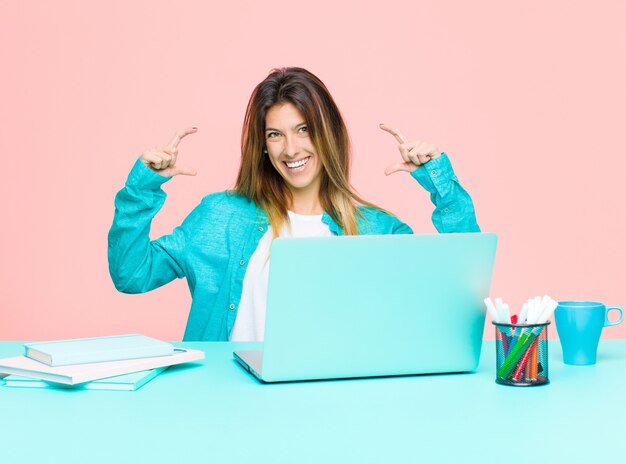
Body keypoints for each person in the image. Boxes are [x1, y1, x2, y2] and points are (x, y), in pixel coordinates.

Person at [108, 67, 479, 342]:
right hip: (223, 409)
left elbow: (458, 296)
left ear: (328, 133)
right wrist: (143, 186)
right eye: (275, 134)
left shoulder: (378, 231)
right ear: (264, 145)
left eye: (304, 129)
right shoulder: (220, 217)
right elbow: (131, 273)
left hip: (331, 412)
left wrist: (440, 184)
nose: (291, 149)